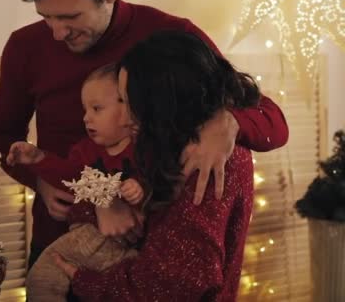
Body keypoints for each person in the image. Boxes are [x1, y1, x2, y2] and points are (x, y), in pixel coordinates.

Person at [0, 0, 289, 269]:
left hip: (149, 252)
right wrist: (41, 181)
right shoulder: (24, 46)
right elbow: (1, 139)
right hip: (59, 245)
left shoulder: (170, 37)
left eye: (70, 16)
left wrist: (229, 122)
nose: (56, 33)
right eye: (46, 17)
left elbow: (271, 119)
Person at [53, 30, 266, 301]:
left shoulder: (207, 160)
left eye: (131, 103)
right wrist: (101, 206)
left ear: (163, 102)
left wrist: (84, 281)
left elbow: (177, 282)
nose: (126, 116)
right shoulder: (163, 144)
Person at [6, 66, 146, 302]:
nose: (86, 117)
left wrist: (140, 186)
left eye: (97, 109)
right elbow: (71, 178)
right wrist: (38, 158)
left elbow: (161, 181)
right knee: (42, 277)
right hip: (85, 236)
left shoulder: (143, 148)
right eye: (85, 110)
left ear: (129, 109)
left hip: (130, 244)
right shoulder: (85, 151)